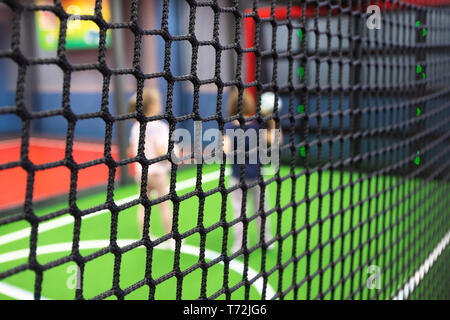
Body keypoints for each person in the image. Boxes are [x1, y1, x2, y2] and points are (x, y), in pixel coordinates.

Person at [223, 88, 280, 254]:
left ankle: (240, 245)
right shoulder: (257, 125)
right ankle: (266, 240)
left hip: (238, 177)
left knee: (239, 212)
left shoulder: (229, 126)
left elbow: (225, 150)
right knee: (261, 209)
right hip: (256, 177)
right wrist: (272, 120)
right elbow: (275, 140)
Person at [128, 88, 174, 248]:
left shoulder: (136, 126)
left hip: (141, 173)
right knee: (165, 205)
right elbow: (162, 151)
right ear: (153, 105)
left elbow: (134, 148)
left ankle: (144, 236)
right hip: (158, 174)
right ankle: (170, 239)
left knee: (144, 205)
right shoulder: (159, 126)